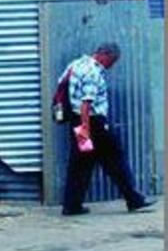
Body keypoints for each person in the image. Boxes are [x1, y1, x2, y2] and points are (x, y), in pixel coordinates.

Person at [58, 42, 156, 216]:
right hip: (92, 124)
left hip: (77, 122)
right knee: (115, 159)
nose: (112, 65)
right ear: (105, 54)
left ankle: (71, 206)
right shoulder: (93, 72)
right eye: (113, 60)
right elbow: (86, 103)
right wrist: (86, 129)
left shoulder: (76, 64)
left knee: (80, 165)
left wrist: (80, 127)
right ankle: (134, 200)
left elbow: (62, 85)